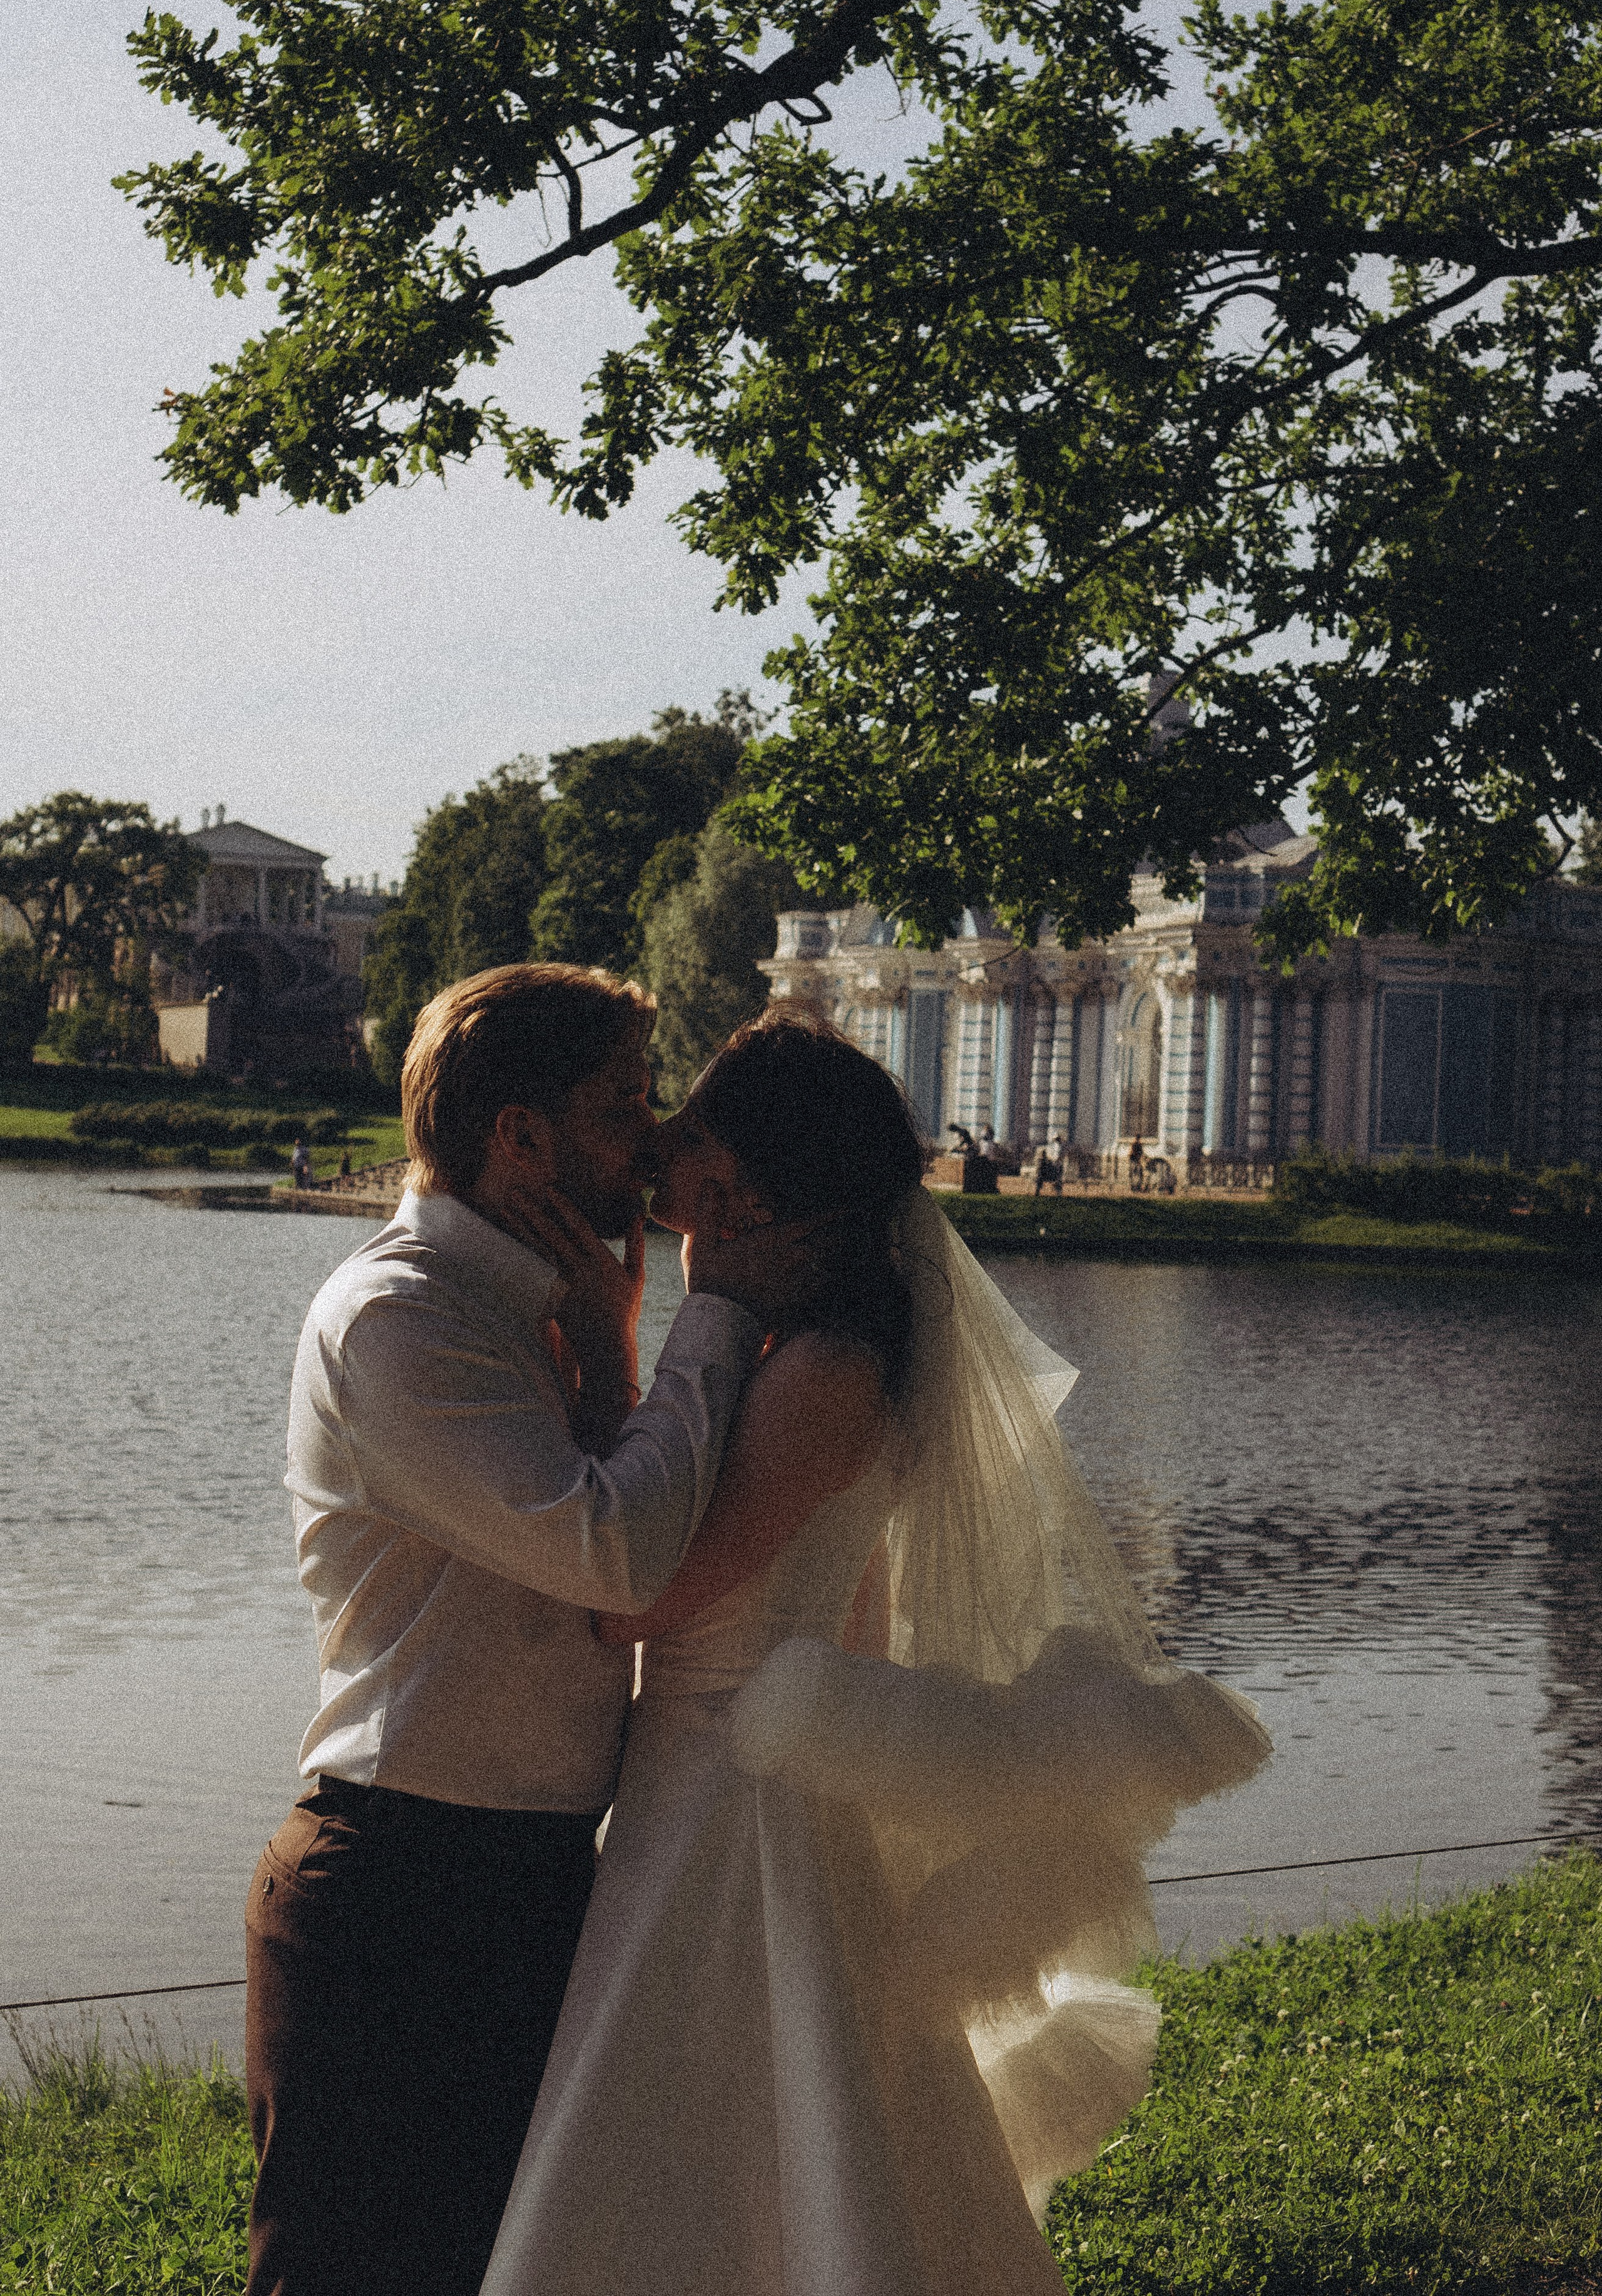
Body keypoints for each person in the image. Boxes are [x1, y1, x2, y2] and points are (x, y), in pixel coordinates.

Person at [482, 1006, 1270, 2296]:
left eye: (681, 1140)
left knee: (732, 2116)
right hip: (721, 1774)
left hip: (729, 1801)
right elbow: (846, 1612)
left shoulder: (818, 1375)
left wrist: (645, 1330)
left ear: (728, 1191)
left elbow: (632, 1604)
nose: (654, 1158)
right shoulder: (821, 1352)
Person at [243, 964, 817, 2296]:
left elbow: (611, 1535)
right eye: (624, 1105)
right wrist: (715, 1314)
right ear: (519, 1134)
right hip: (397, 1893)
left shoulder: (532, 1308)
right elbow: (614, 1552)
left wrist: (614, 1354)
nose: (656, 1138)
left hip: (524, 1884)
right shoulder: (397, 1321)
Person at [1033, 1130, 1066, 1196]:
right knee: (1041, 1172)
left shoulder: (1057, 1147)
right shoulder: (1054, 1146)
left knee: (1040, 1173)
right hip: (1052, 1165)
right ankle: (1038, 1189)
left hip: (1054, 1166)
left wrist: (1050, 1160)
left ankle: (1038, 1190)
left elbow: (1056, 1157)